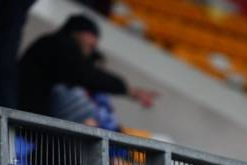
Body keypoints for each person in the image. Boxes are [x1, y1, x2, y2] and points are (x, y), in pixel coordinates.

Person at [18, 14, 157, 116]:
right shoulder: (57, 45)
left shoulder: (56, 46)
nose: (94, 43)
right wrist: (128, 90)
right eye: (91, 35)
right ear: (76, 32)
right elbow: (85, 74)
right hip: (23, 116)